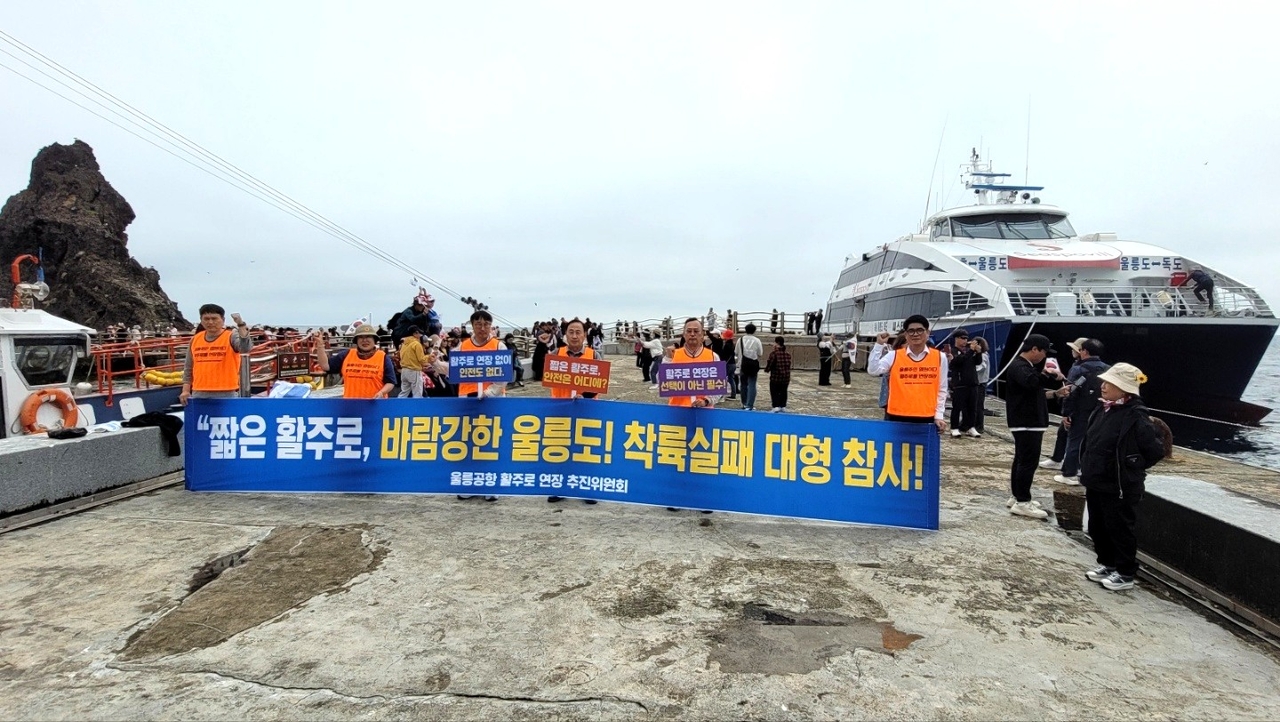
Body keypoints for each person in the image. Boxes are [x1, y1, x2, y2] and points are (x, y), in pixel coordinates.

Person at [1080, 362, 1166, 591]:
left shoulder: (1136, 416)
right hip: (1096, 479)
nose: (1104, 386)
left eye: (1110, 383)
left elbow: (1155, 450)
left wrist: (1132, 466)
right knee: (1097, 525)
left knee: (1119, 528)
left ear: (1125, 388)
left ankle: (1126, 572)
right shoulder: (1103, 409)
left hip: (1119, 484)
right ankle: (1107, 563)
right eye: (1105, 382)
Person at [1005, 334, 1063, 519]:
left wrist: (1056, 393)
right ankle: (1023, 501)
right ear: (1035, 349)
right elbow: (1032, 383)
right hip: (1027, 422)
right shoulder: (1020, 366)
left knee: (1021, 460)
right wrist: (1049, 374)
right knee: (1028, 462)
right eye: (1044, 352)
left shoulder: (1024, 367)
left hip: (1026, 421)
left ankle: (1017, 496)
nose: (1044, 356)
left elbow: (1033, 393)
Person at [546, 319, 601, 505]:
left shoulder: (595, 356)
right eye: (571, 332)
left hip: (587, 411)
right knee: (560, 450)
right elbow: (548, 378)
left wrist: (582, 393)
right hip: (560, 411)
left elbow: (599, 385)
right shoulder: (555, 354)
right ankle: (559, 487)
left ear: (585, 335)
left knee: (586, 451)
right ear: (565, 334)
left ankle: (587, 488)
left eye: (579, 332)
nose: (575, 336)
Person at [867, 314, 948, 432]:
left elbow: (942, 388)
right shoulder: (894, 355)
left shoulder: (940, 357)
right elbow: (873, 370)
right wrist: (879, 345)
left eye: (920, 330)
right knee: (894, 450)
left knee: (923, 450)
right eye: (911, 331)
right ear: (906, 335)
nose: (915, 334)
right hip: (896, 416)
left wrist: (939, 415)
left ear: (928, 333)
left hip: (926, 417)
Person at [1053, 339, 1109, 484]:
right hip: (1100, 411)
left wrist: (1066, 414)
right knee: (1093, 442)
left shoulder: (1079, 369)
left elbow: (1070, 392)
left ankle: (1069, 473)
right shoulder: (1107, 369)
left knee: (1075, 441)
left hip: (1080, 411)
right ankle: (1085, 470)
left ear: (1084, 351)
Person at [180, 303, 253, 405]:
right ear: (201, 320)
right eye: (206, 319)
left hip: (227, 392)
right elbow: (188, 367)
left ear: (223, 320)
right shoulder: (195, 339)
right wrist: (186, 390)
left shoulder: (230, 336)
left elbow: (245, 348)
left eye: (214, 318)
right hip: (199, 392)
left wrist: (241, 324)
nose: (210, 322)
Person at [314, 324, 396, 399]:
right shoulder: (346, 355)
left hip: (375, 405)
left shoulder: (383, 357)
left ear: (374, 340)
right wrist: (320, 345)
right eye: (361, 337)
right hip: (351, 406)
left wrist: (381, 392)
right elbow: (325, 366)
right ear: (356, 341)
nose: (364, 340)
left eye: (368, 337)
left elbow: (390, 382)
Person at [667, 318, 719, 409]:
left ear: (702, 334)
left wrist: (706, 401)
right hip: (677, 411)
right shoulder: (673, 356)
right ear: (684, 334)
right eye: (689, 331)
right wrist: (667, 359)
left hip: (704, 412)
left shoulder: (712, 356)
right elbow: (661, 382)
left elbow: (719, 386)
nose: (692, 334)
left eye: (696, 331)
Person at [457, 310, 506, 399]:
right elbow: (453, 369)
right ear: (472, 325)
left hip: (494, 397)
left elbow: (505, 373)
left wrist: (490, 392)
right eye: (479, 324)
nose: (482, 328)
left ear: (491, 326)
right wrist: (436, 363)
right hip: (467, 396)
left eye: (486, 324)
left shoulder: (499, 346)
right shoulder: (462, 346)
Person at [946, 329, 979, 437]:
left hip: (972, 382)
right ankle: (954, 427)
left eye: (966, 338)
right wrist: (971, 351)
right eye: (963, 338)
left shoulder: (969, 351)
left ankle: (970, 426)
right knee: (957, 407)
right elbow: (958, 361)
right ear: (957, 339)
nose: (965, 341)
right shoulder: (953, 351)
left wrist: (978, 352)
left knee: (972, 407)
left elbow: (977, 362)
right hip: (960, 384)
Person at [737, 323, 764, 411]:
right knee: (752, 385)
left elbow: (736, 352)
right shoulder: (757, 340)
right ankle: (749, 405)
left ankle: (744, 403)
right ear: (754, 331)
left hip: (742, 364)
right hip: (752, 365)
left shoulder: (740, 340)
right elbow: (760, 353)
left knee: (743, 385)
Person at [398, 325, 427, 398]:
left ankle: (398, 407)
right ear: (415, 333)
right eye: (419, 333)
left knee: (403, 393)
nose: (420, 335)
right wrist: (430, 357)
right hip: (414, 370)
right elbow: (421, 359)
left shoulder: (404, 344)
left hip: (404, 371)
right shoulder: (416, 344)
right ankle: (417, 409)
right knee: (417, 393)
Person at [764, 336, 792, 412]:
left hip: (776, 376)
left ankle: (776, 405)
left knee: (774, 391)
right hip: (786, 376)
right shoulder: (787, 354)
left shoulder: (774, 354)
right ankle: (783, 405)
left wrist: (767, 369)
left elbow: (770, 363)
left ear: (777, 343)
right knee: (783, 391)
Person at [970, 336, 991, 433]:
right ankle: (973, 424)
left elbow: (981, 367)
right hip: (977, 383)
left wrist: (970, 370)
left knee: (978, 406)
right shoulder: (982, 355)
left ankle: (979, 426)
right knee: (974, 405)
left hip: (980, 383)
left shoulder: (983, 355)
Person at [719, 328, 738, 400]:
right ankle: (733, 394)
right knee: (731, 379)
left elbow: (723, 355)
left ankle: (720, 395)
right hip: (733, 363)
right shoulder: (732, 344)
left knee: (722, 379)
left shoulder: (727, 345)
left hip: (728, 364)